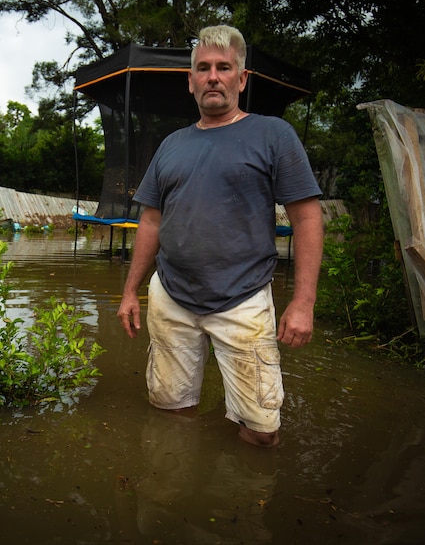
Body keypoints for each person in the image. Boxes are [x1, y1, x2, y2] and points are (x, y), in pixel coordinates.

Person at [116, 25, 324, 448]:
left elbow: (306, 218)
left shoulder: (273, 134)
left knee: (262, 432)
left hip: (242, 299)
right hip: (171, 297)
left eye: (224, 68)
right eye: (203, 68)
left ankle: (242, 502)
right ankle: (179, 487)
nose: (213, 76)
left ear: (241, 79)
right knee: (170, 412)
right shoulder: (171, 144)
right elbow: (151, 223)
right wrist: (129, 291)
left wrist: (303, 303)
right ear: (190, 81)